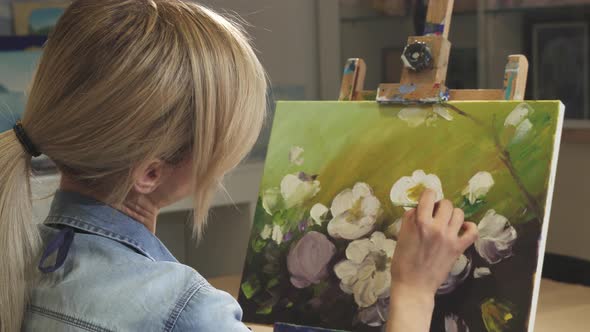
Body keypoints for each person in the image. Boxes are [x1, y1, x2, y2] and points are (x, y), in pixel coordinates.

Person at [0, 1, 478, 331]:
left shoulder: (17, 256)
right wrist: (414, 289)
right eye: (220, 136)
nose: (230, 152)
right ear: (148, 173)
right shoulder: (182, 309)